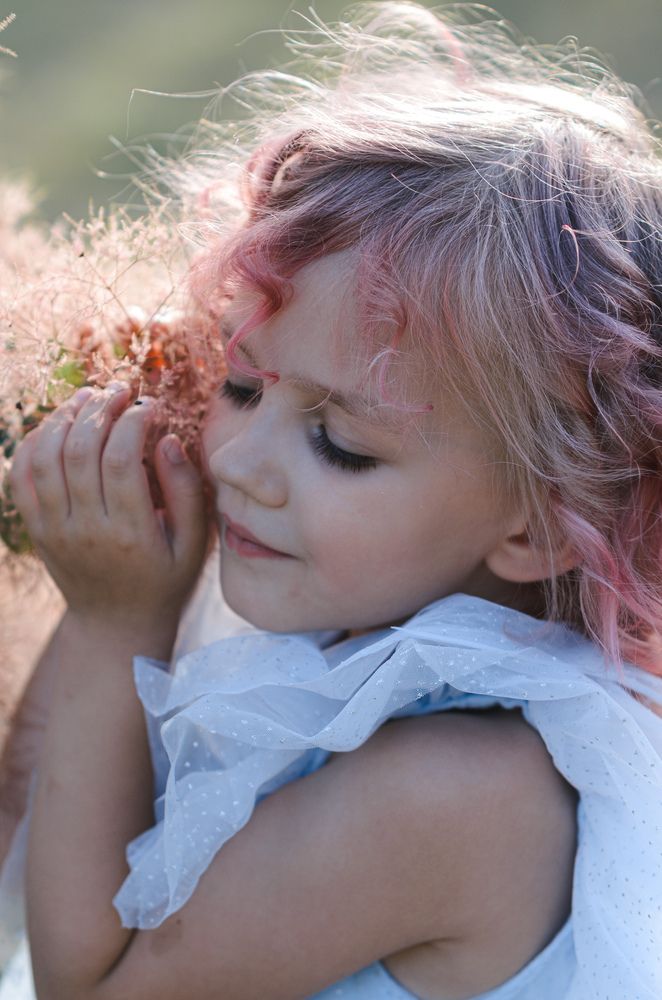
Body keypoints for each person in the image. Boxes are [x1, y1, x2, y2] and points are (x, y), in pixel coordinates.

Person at [2, 3, 662, 997]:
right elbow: (26, 816)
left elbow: (83, 987)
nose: (240, 461)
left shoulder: (454, 791)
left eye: (339, 444)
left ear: (535, 523)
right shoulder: (344, 656)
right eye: (241, 385)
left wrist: (114, 621)